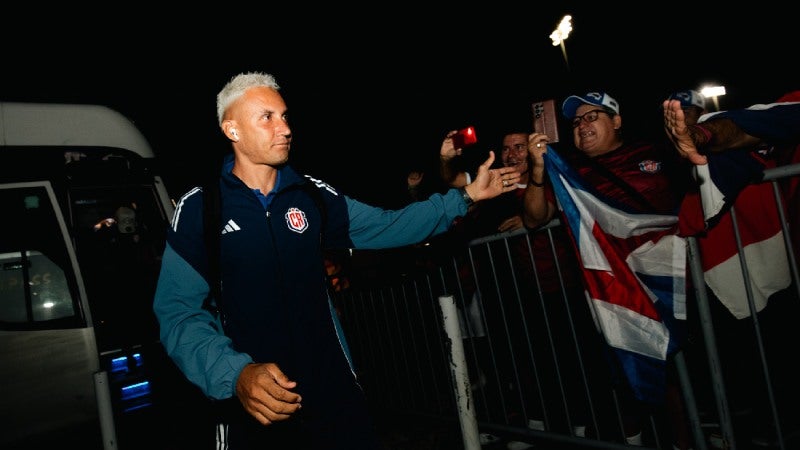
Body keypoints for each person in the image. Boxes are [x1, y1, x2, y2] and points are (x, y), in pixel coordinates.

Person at [152, 71, 521, 450]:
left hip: (333, 392)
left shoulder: (311, 195)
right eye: (267, 117)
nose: (285, 128)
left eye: (285, 116)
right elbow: (178, 312)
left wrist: (465, 197)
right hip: (253, 405)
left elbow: (388, 225)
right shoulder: (202, 208)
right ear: (233, 129)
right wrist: (235, 374)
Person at [523, 91, 696, 449]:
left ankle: (685, 441)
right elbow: (535, 218)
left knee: (677, 372)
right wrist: (539, 173)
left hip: (666, 280)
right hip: (613, 289)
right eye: (576, 121)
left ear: (616, 121)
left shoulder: (655, 152)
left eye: (592, 117)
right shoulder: (569, 173)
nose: (582, 126)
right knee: (622, 367)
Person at [435, 128, 605, 449]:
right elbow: (454, 180)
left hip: (563, 284)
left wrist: (526, 219)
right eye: (506, 148)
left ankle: (583, 428)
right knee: (528, 358)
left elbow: (538, 216)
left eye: (519, 147)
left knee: (573, 359)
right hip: (521, 289)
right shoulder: (498, 181)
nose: (511, 154)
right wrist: (446, 159)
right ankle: (536, 424)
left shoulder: (552, 177)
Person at [663, 92, 800, 448]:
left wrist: (702, 135)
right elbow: (741, 127)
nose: (684, 118)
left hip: (772, 260)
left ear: (702, 110)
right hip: (720, 272)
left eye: (690, 111)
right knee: (741, 354)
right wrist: (701, 136)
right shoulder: (702, 138)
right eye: (678, 113)